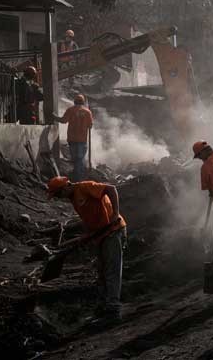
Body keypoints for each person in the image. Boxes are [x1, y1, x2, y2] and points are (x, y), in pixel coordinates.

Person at [47, 176, 126, 323]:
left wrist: (115, 214)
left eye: (58, 194)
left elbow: (111, 189)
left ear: (65, 188)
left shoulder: (85, 187)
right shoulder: (73, 198)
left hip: (113, 230)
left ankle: (114, 311)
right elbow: (90, 217)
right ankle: (103, 308)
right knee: (101, 272)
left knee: (112, 270)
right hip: (101, 234)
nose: (58, 198)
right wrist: (87, 236)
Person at [54, 94, 93, 181]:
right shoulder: (87, 112)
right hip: (82, 140)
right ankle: (79, 178)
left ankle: (77, 176)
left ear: (75, 101)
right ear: (83, 102)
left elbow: (63, 120)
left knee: (76, 159)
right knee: (80, 159)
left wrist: (54, 117)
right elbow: (90, 125)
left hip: (72, 139)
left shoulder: (70, 110)